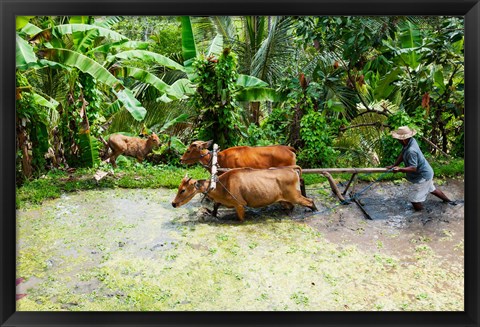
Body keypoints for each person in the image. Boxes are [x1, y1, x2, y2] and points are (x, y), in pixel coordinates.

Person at [386, 126, 455, 211]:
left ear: (403, 139)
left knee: (414, 200)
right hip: (427, 171)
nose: (397, 140)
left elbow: (413, 168)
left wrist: (400, 169)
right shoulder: (411, 141)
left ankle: (420, 215)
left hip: (422, 176)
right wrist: (394, 165)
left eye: (398, 139)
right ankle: (449, 202)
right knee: (432, 189)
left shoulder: (411, 151)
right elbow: (402, 153)